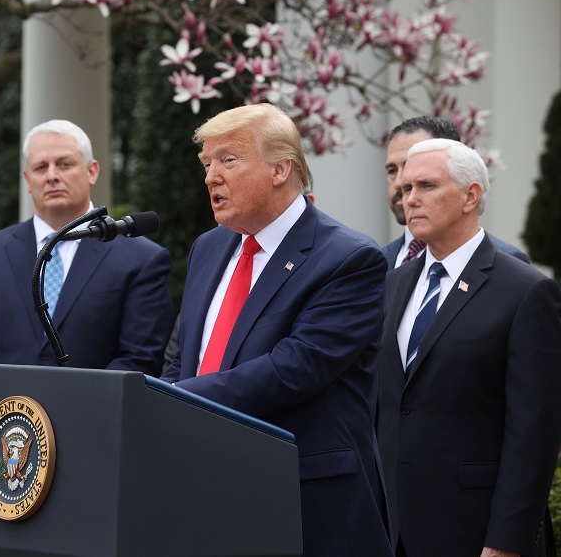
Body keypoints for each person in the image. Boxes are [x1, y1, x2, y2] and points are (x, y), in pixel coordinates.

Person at [162, 103, 393, 557]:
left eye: (228, 160)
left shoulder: (349, 259)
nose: (210, 176)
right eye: (207, 163)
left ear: (280, 169)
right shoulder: (208, 248)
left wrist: (172, 400)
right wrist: (160, 401)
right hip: (204, 491)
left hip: (305, 505)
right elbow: (182, 355)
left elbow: (294, 368)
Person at [376, 138, 561, 557]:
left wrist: (506, 541)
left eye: (426, 186)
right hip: (392, 533)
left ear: (470, 195)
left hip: (474, 533)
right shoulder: (392, 285)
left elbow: (533, 434)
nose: (410, 200)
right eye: (405, 190)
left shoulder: (526, 291)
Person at [0, 119, 173, 374]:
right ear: (27, 180)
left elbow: (140, 360)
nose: (52, 176)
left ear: (92, 171)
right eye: (41, 167)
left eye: (65, 164)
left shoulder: (141, 260)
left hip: (95, 411)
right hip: (6, 411)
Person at [382, 116, 528, 268]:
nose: (400, 182)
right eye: (392, 170)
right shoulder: (375, 261)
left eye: (426, 184)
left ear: (470, 195)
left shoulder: (509, 264)